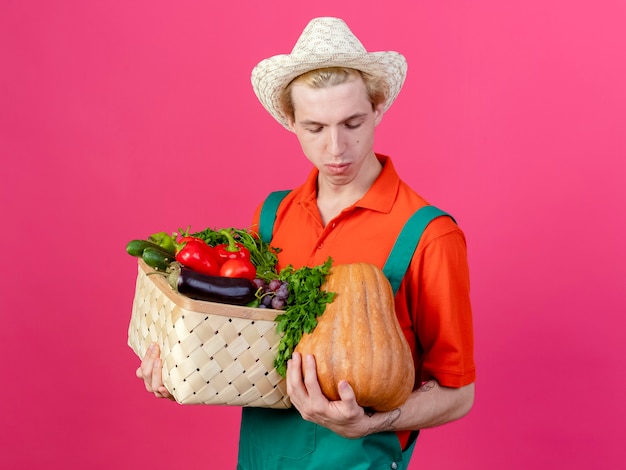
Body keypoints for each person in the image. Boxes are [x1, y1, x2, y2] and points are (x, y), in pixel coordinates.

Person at [137, 17, 475, 469]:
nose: (337, 148)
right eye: (315, 128)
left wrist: (374, 422)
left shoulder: (429, 234)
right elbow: (245, 344)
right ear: (291, 121)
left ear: (377, 108)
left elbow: (458, 393)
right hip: (261, 457)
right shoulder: (273, 217)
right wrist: (178, 367)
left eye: (352, 122)